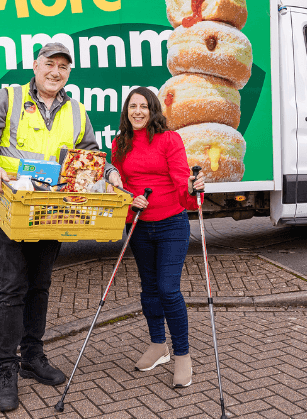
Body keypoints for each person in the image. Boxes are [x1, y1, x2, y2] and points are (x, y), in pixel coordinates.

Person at [0, 43, 122, 412]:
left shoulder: (76, 109)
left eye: (63, 67)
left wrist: (111, 174)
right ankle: (6, 368)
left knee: (40, 286)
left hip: (52, 214)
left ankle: (32, 357)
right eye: (49, 64)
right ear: (35, 66)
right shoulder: (9, 98)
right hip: (14, 211)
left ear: (69, 73)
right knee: (11, 289)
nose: (56, 72)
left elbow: (91, 155)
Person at [111, 86, 204, 388]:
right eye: (132, 106)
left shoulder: (169, 139)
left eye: (143, 106)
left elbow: (180, 179)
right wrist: (129, 198)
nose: (137, 111)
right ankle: (157, 345)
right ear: (126, 111)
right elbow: (121, 183)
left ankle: (182, 355)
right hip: (139, 225)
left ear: (153, 110)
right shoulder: (120, 143)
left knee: (167, 289)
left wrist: (191, 187)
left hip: (171, 224)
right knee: (149, 289)